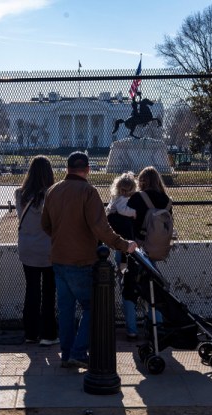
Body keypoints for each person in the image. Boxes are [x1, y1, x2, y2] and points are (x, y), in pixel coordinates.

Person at [41, 151, 137, 369]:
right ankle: (77, 351)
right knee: (93, 307)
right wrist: (124, 245)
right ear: (87, 169)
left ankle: (66, 354)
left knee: (65, 310)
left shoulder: (53, 191)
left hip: (58, 258)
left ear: (67, 168)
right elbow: (100, 228)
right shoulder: (88, 191)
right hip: (82, 259)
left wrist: (61, 237)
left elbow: (45, 225)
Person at [15, 155, 58, 346]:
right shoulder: (53, 195)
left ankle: (30, 333)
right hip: (49, 248)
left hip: (28, 247)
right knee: (49, 292)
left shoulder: (20, 194)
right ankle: (48, 334)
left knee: (31, 290)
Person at [126, 166, 174, 326]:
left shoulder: (138, 198)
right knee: (155, 287)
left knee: (129, 287)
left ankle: (131, 327)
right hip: (157, 248)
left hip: (137, 248)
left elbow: (129, 221)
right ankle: (156, 324)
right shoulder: (167, 201)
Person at [105, 172, 139, 340]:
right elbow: (125, 211)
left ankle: (129, 326)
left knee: (123, 283)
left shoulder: (114, 200)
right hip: (128, 249)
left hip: (119, 249)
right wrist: (134, 213)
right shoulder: (124, 202)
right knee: (131, 287)